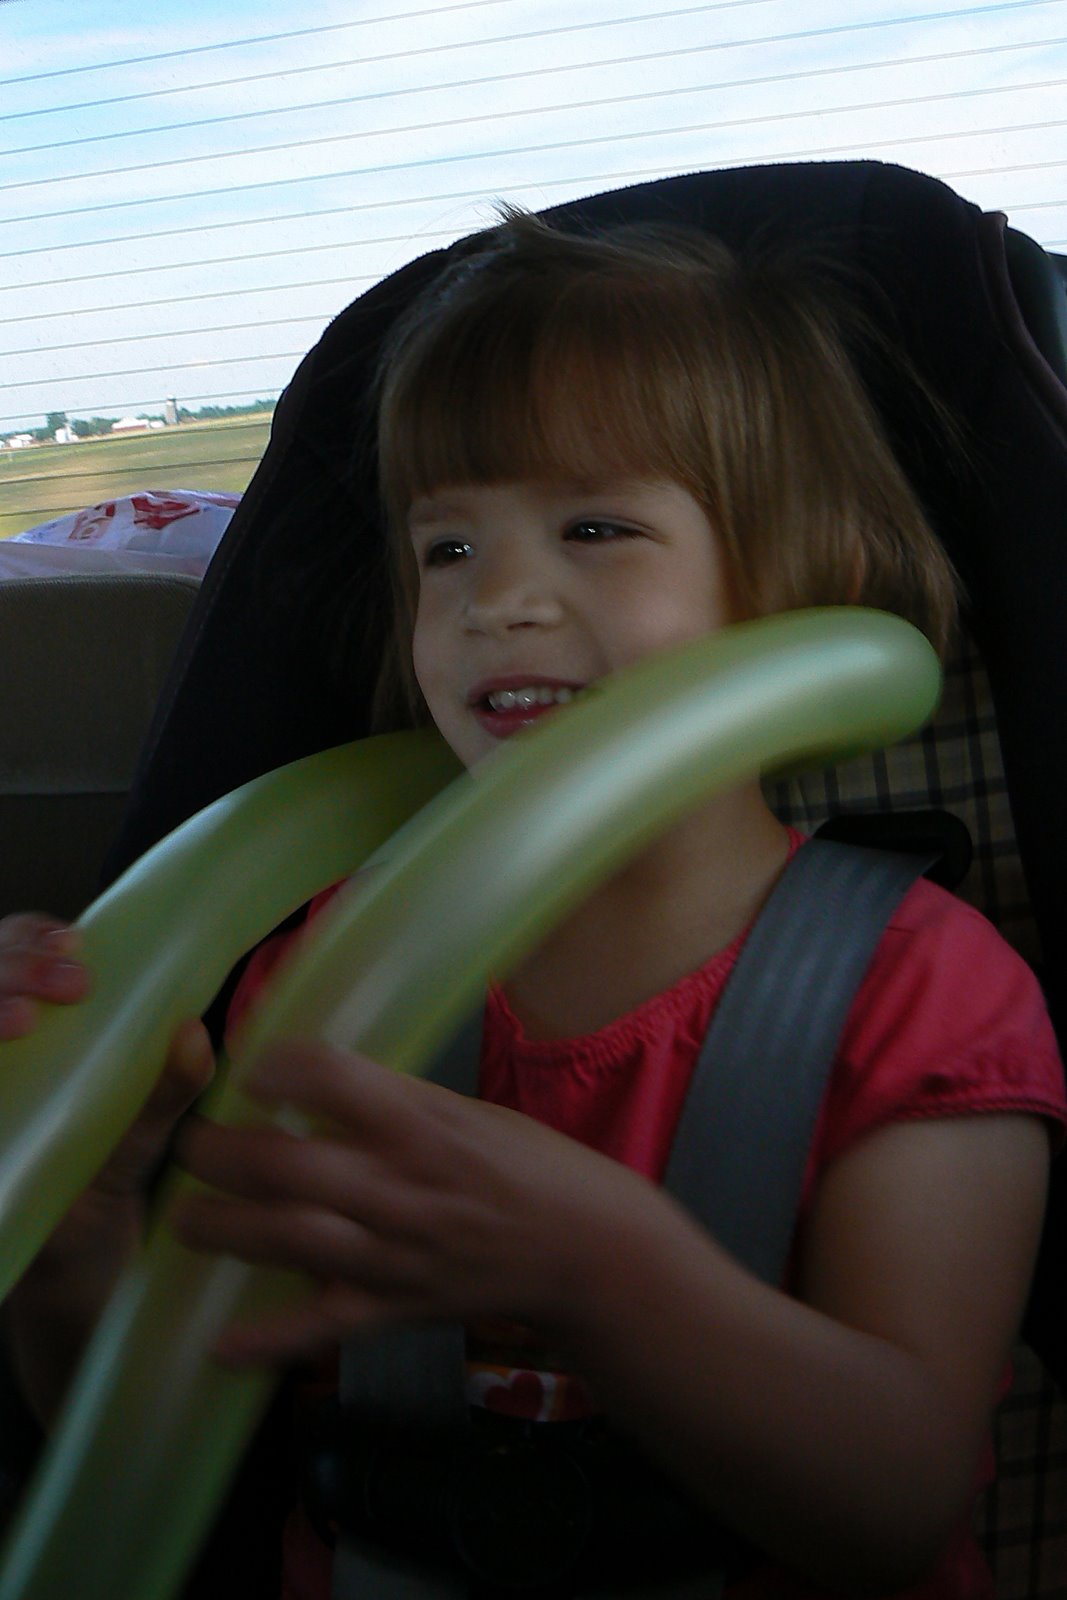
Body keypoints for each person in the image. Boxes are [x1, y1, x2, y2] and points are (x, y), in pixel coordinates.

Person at [1, 214, 1064, 1599]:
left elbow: (898, 1501)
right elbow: (158, 1458)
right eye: (446, 548)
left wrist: (597, 1273)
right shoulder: (334, 973)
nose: (496, 599)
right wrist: (78, 1233)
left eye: (595, 527)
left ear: (805, 586)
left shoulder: (918, 991)